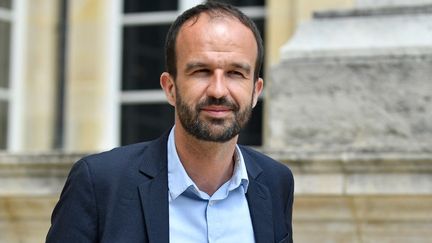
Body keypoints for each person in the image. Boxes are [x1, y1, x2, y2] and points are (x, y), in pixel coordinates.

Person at [46, 2, 294, 243]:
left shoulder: (276, 182)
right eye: (201, 71)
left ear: (255, 91)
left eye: (236, 73)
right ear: (170, 87)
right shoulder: (99, 184)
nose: (218, 90)